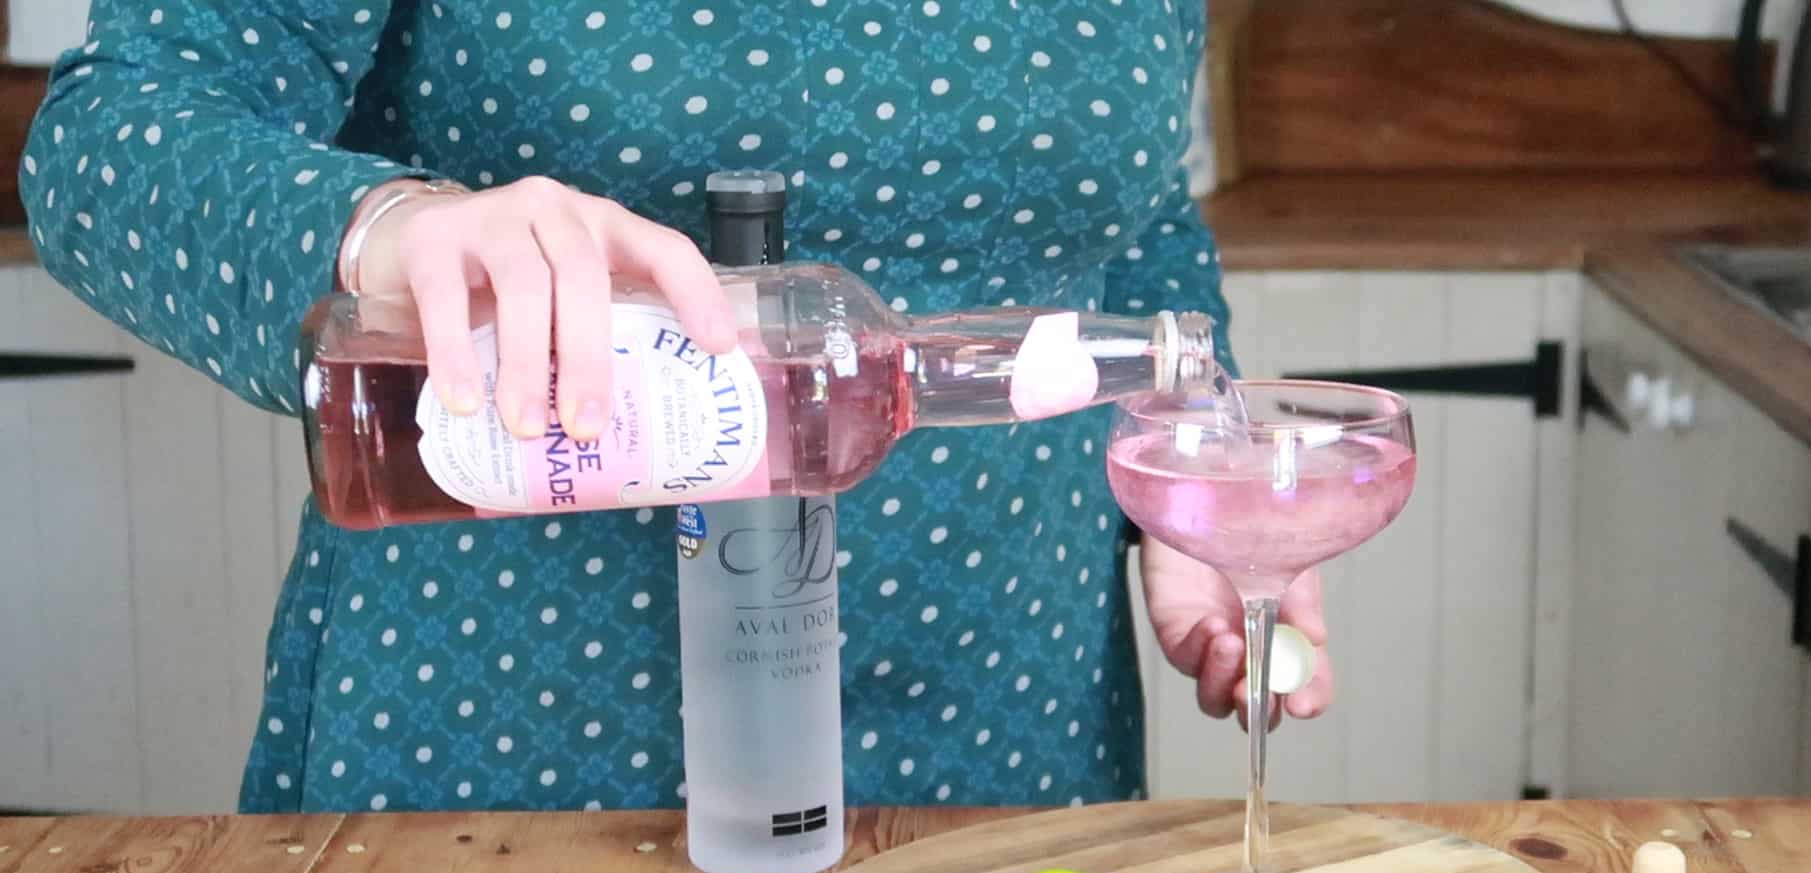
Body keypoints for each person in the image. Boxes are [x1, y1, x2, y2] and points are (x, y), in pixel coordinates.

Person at [19, 0, 1331, 814]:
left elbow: (1128, 207)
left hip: (1005, 724)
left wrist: (1186, 454)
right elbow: (112, 136)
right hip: (512, 745)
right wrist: (394, 229)